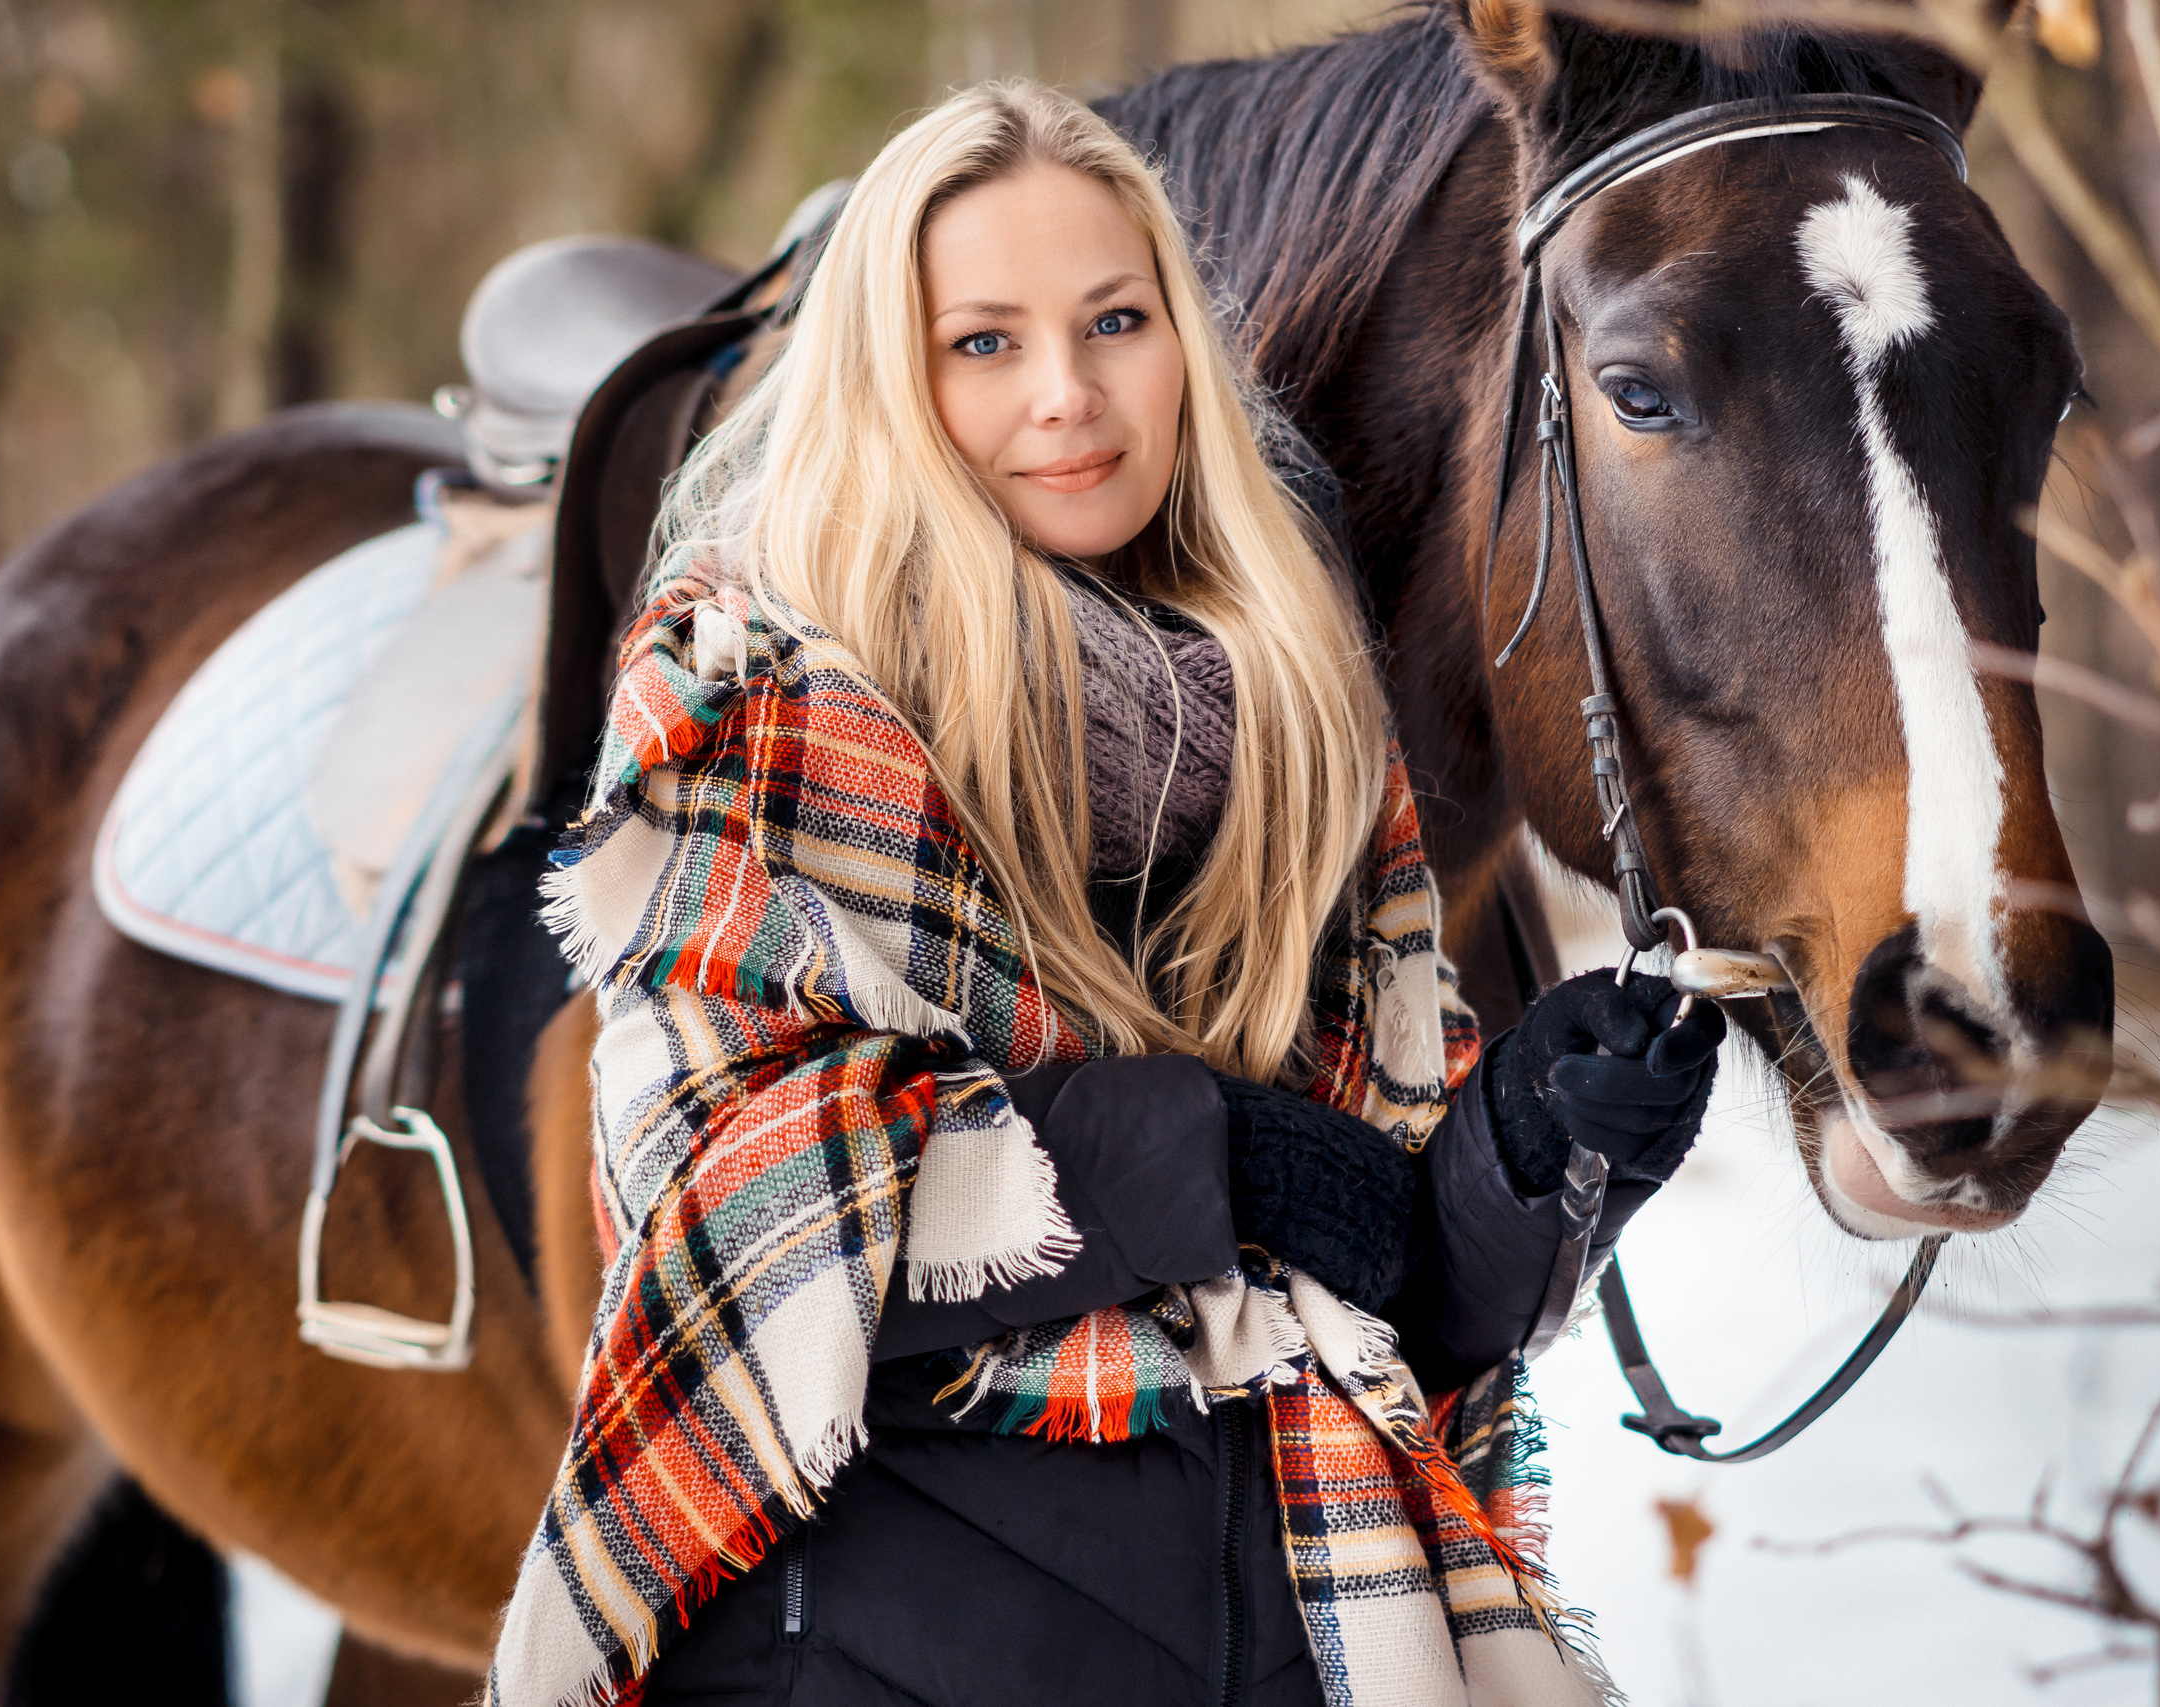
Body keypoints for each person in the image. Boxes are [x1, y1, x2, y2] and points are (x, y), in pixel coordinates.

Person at [489, 81, 1724, 1707]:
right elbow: (710, 1212)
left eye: (1116, 321)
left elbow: (1394, 1281)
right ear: (892, 377)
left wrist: (1534, 1150)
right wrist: (1206, 1155)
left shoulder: (1308, 724)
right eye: (983, 343)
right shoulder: (767, 709)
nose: (1069, 396)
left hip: (1306, 1634)